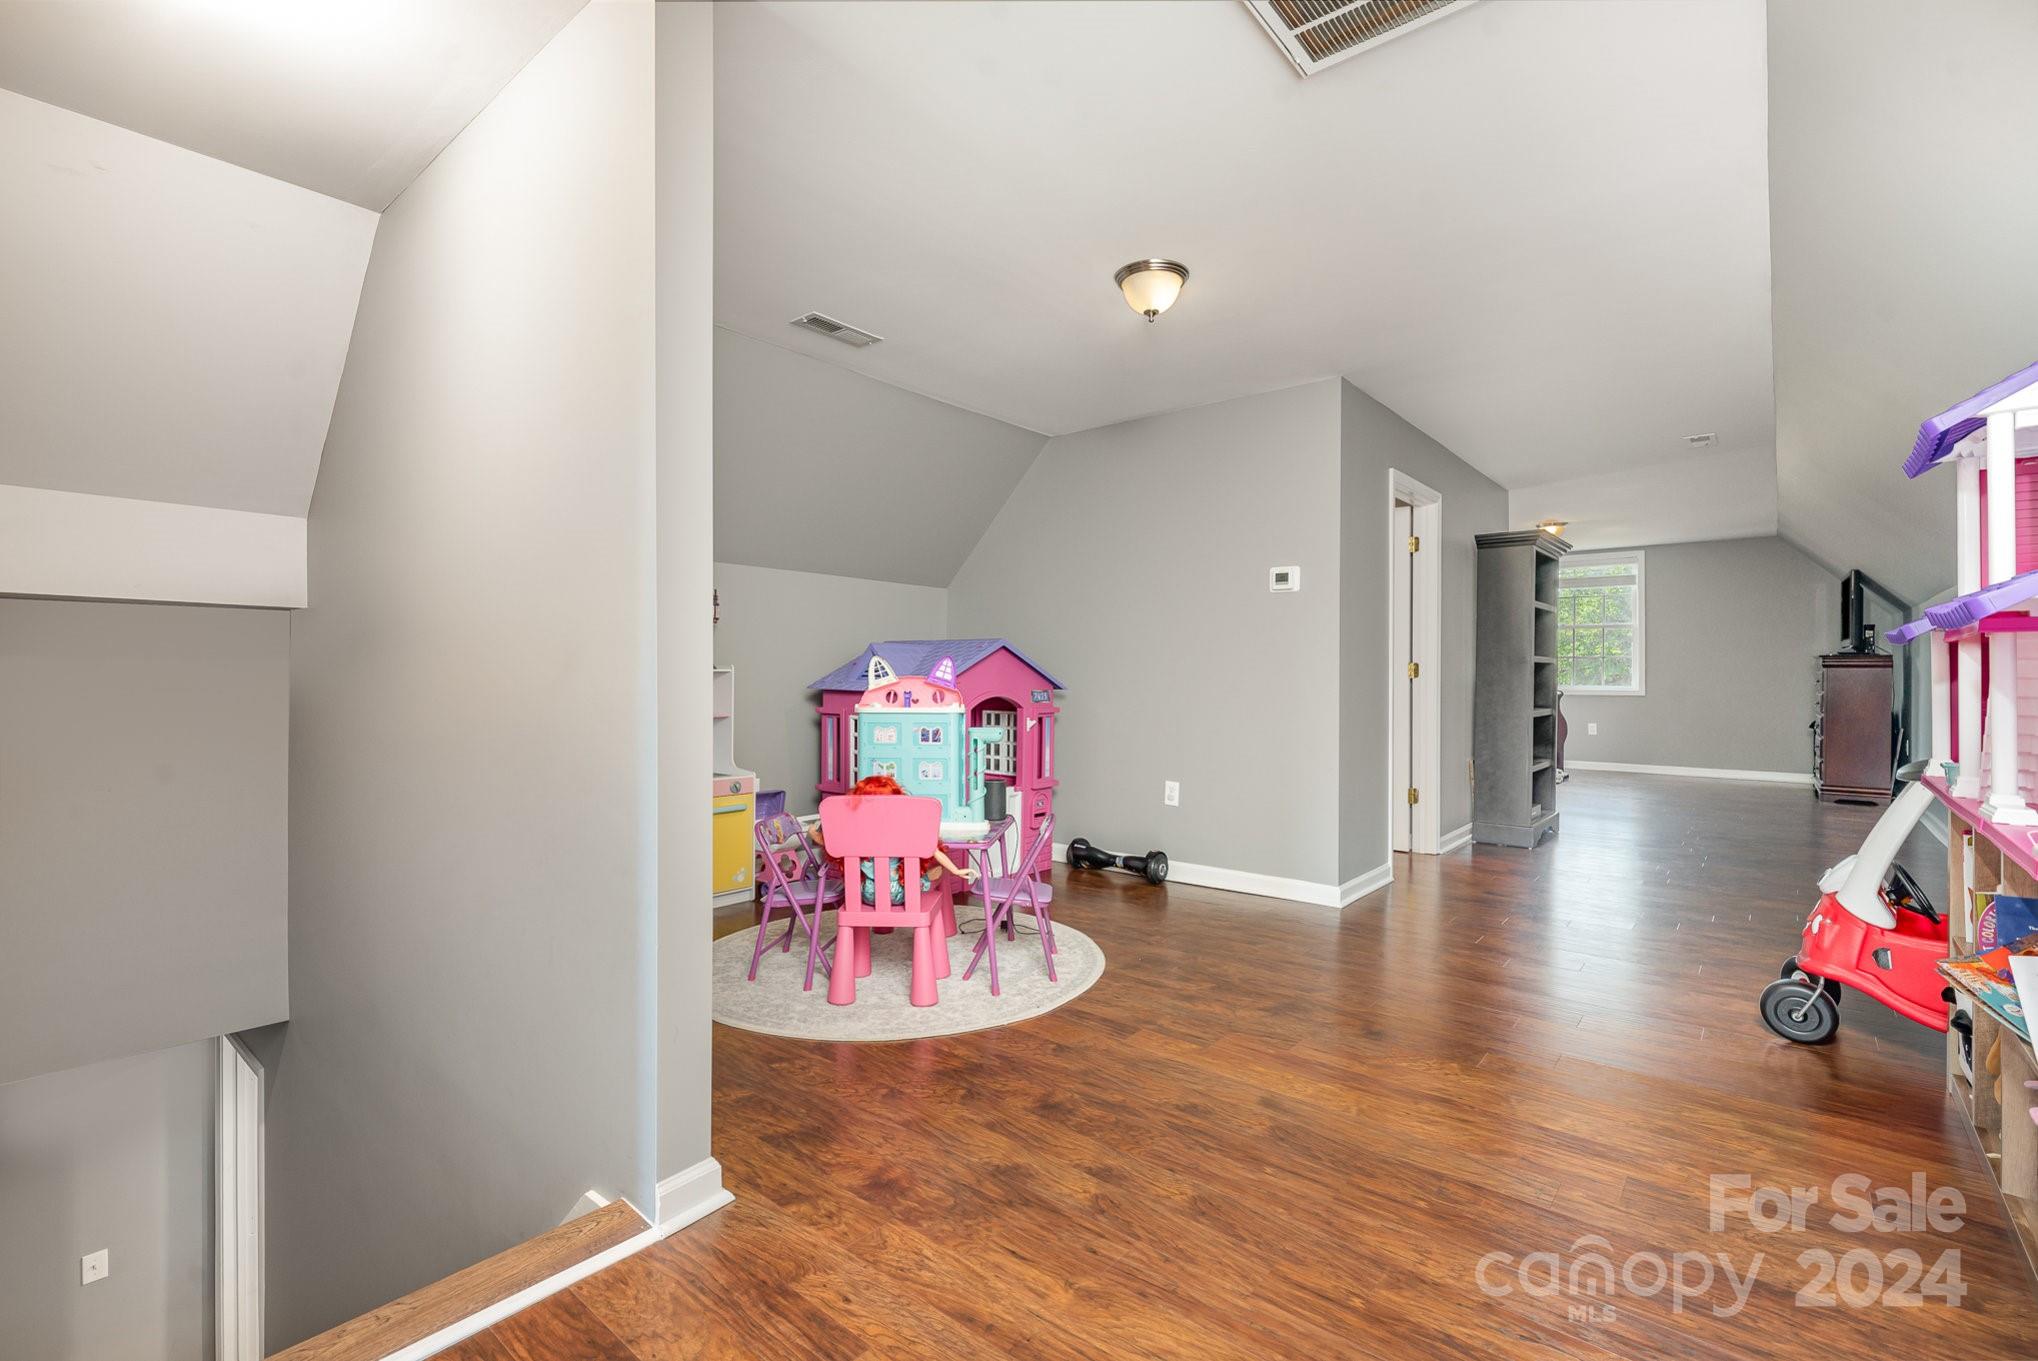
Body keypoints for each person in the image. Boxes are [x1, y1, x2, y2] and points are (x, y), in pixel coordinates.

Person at [813, 774, 978, 904]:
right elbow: (933, 850)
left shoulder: (853, 834)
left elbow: (818, 837)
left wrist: (814, 828)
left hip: (865, 894)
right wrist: (956, 870)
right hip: (901, 894)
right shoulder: (904, 830)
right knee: (934, 872)